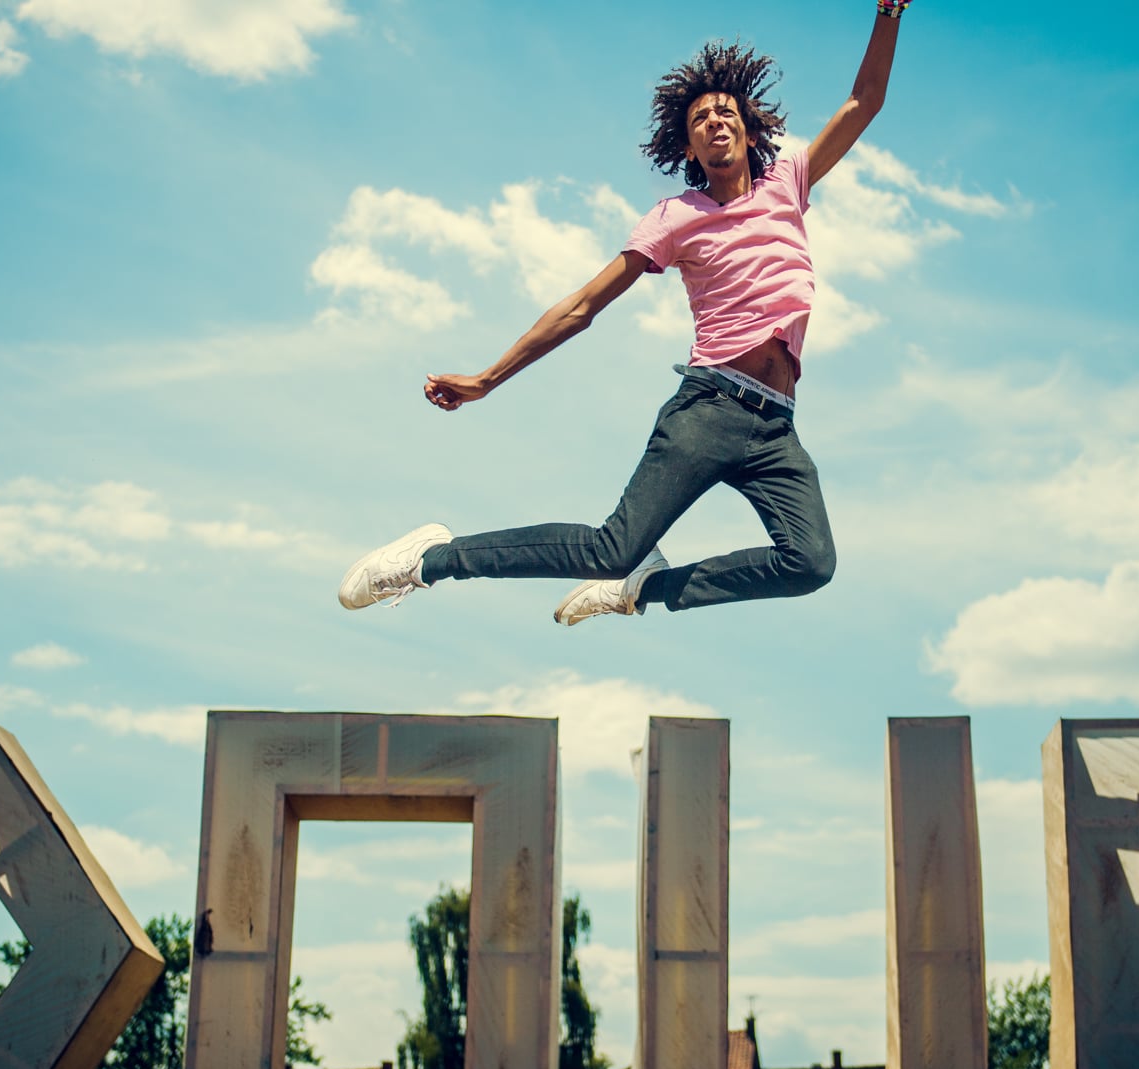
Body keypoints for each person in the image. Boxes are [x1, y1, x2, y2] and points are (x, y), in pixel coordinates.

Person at [340, 3, 910, 624]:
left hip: (776, 428)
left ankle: (641, 590)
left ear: (748, 129)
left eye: (725, 112)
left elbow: (865, 101)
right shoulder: (675, 217)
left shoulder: (788, 183)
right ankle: (432, 559)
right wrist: (485, 379)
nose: (715, 121)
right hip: (710, 409)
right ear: (688, 144)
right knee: (612, 547)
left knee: (809, 563)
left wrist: (888, 11)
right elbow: (582, 307)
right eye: (700, 118)